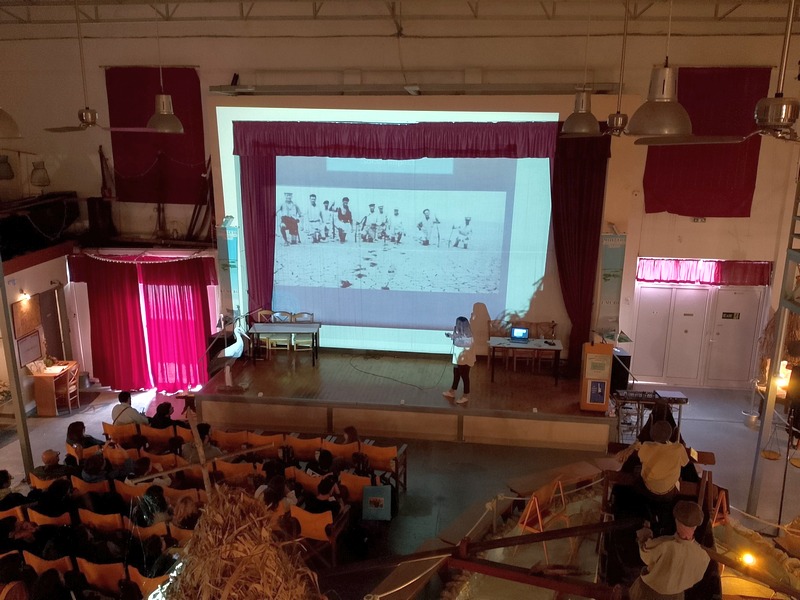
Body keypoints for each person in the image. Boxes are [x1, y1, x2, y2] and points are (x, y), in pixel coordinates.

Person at [629, 501, 710, 600]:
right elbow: (697, 577)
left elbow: (645, 556)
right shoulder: (703, 557)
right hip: (677, 597)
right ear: (696, 526)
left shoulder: (663, 544)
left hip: (649, 594)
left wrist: (645, 533)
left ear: (677, 521)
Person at [620, 420, 689, 497]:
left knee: (636, 469)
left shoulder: (646, 446)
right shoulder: (679, 448)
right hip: (669, 493)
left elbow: (641, 459)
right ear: (670, 434)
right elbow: (684, 463)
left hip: (648, 489)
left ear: (652, 433)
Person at [442, 316, 476, 405]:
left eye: (458, 324)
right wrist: (451, 335)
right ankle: (452, 391)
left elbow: (460, 343)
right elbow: (457, 337)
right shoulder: (459, 332)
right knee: (456, 373)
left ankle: (465, 396)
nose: (456, 325)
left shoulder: (469, 336)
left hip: (465, 360)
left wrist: (454, 337)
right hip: (458, 358)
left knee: (464, 376)